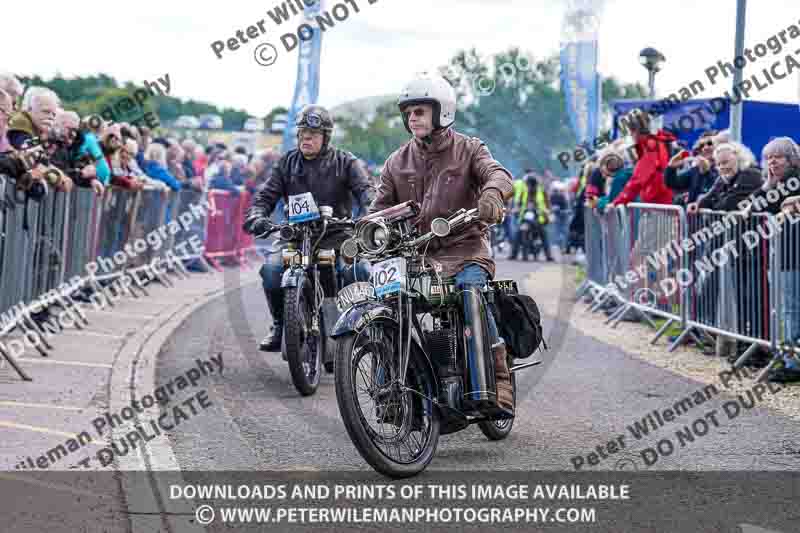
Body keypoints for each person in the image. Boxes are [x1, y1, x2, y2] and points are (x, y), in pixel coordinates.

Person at [370, 72, 515, 413]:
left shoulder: (469, 149)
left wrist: (493, 193)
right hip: (416, 259)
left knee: (470, 292)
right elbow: (378, 210)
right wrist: (365, 230)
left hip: (466, 250)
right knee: (390, 302)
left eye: (419, 110)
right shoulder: (396, 161)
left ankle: (498, 379)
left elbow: (499, 174)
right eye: (408, 112)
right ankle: (390, 392)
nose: (412, 118)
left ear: (442, 111)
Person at [242, 104, 374, 352]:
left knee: (359, 270)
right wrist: (257, 216)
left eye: (312, 134)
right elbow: (264, 198)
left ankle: (363, 324)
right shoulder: (286, 163)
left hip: (337, 235)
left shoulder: (346, 162)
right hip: (296, 236)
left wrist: (367, 216)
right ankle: (281, 324)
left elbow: (367, 193)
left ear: (326, 137)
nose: (306, 138)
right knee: (271, 271)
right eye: (302, 133)